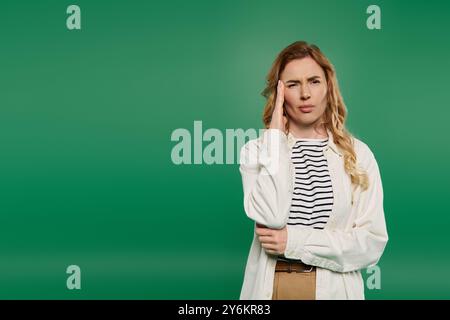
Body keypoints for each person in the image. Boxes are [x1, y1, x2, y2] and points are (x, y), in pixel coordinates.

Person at [238, 41, 388, 300]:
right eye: (293, 85)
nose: (305, 93)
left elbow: (370, 243)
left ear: (328, 87)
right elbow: (273, 217)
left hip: (333, 291)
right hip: (270, 288)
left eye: (314, 81)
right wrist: (275, 135)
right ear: (279, 93)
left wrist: (294, 242)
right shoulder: (257, 151)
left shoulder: (359, 154)